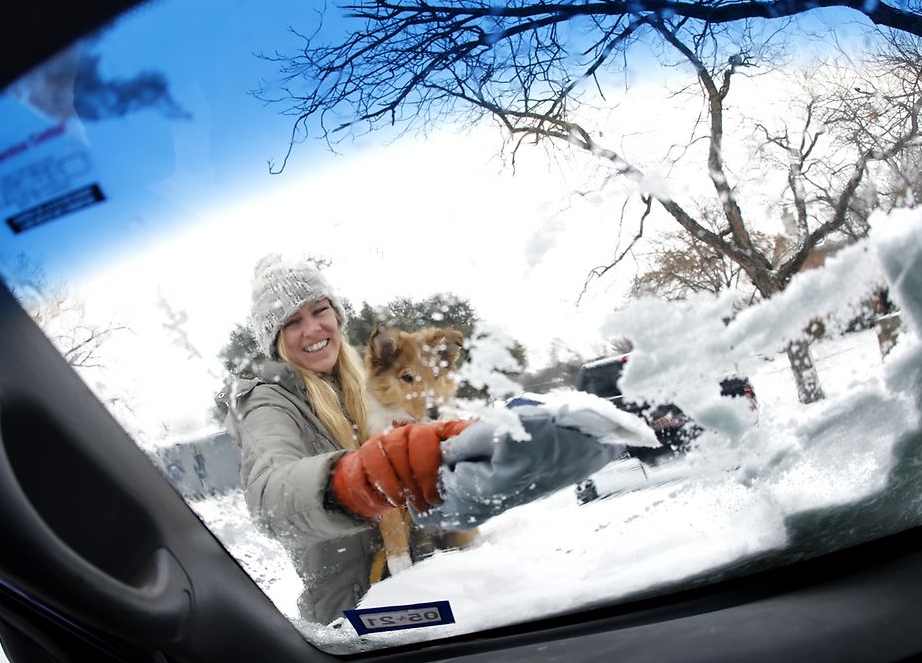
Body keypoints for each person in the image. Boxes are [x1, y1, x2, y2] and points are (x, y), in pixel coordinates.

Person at [223, 254, 629, 625]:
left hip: (432, 585)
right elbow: (272, 500)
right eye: (292, 321)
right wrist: (359, 478)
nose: (312, 328)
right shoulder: (265, 402)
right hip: (354, 616)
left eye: (319, 310)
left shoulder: (369, 383)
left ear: (336, 315)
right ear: (274, 336)